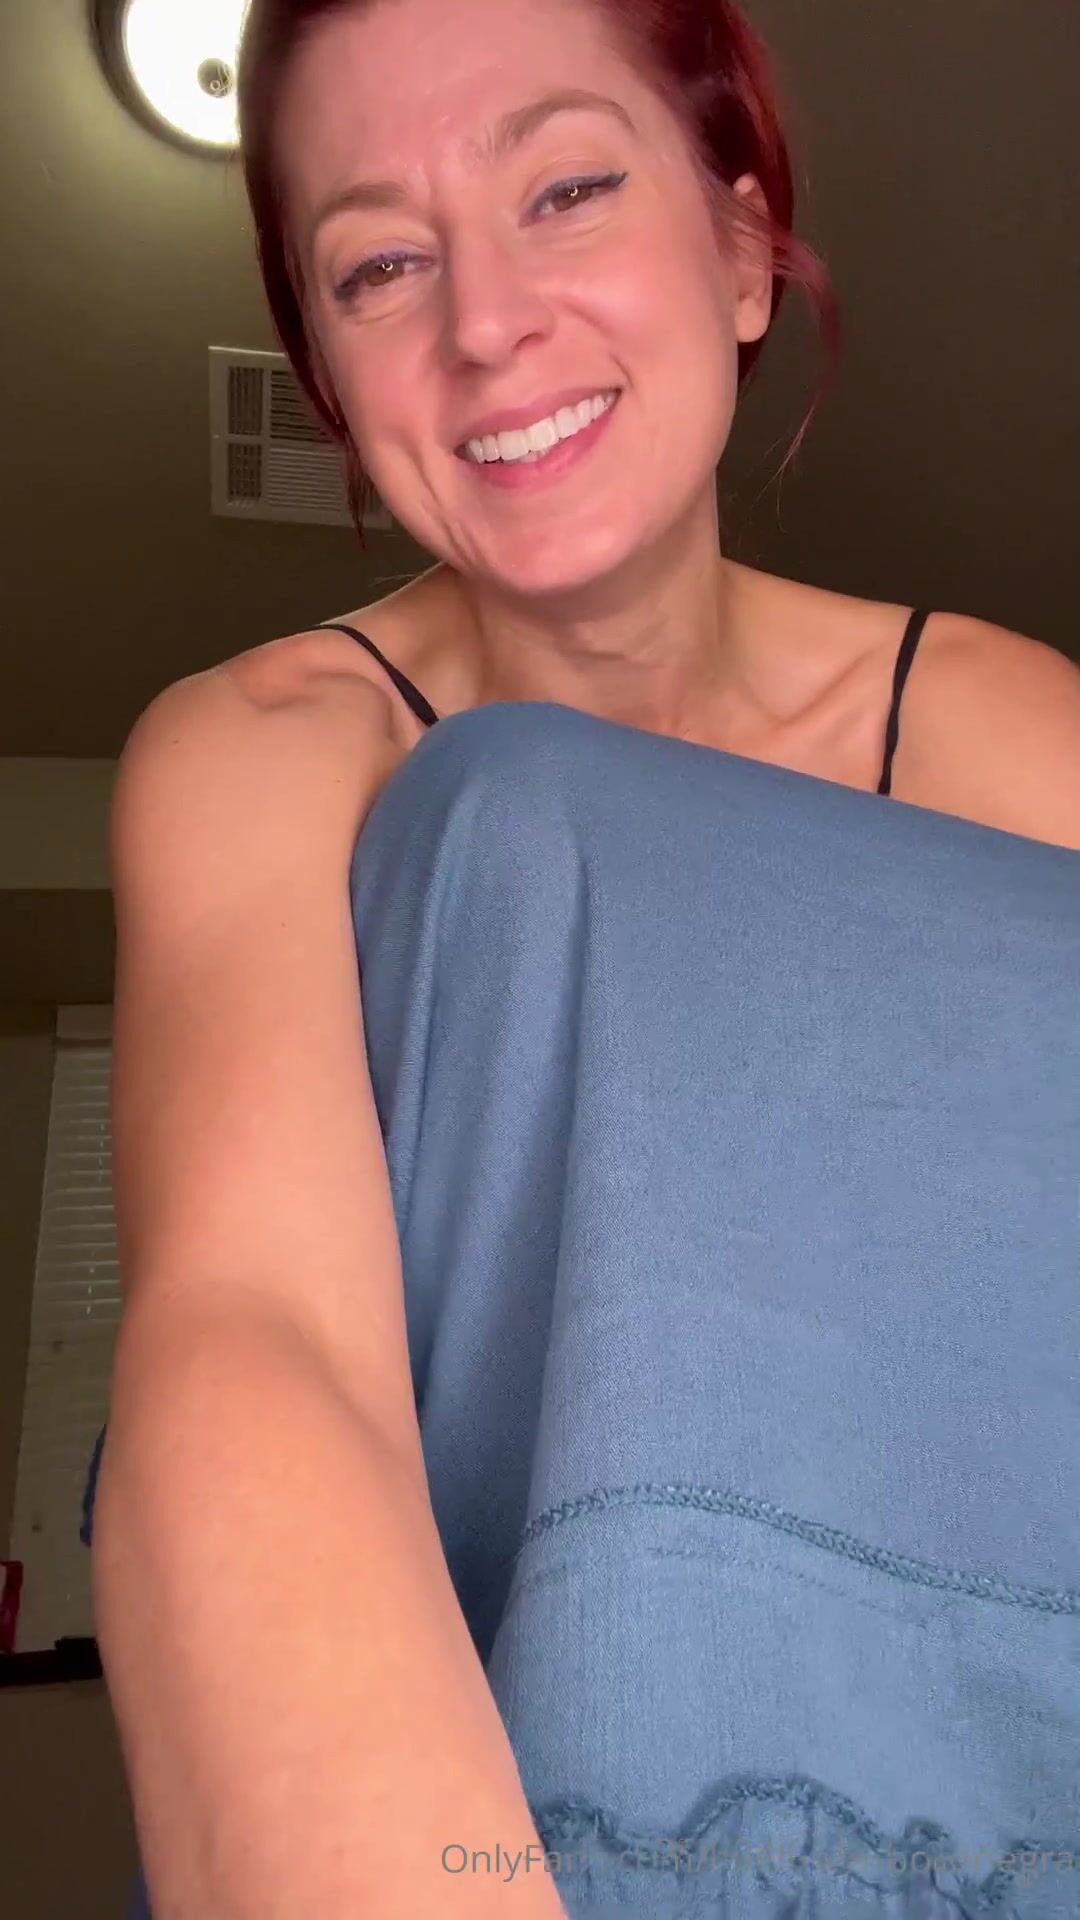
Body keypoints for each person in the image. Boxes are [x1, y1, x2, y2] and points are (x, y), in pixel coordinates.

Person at [87, 0, 1080, 1916]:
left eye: (564, 190)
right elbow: (254, 1341)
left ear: (742, 246)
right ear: (331, 381)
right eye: (380, 266)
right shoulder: (267, 755)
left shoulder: (1020, 734)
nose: (483, 324)